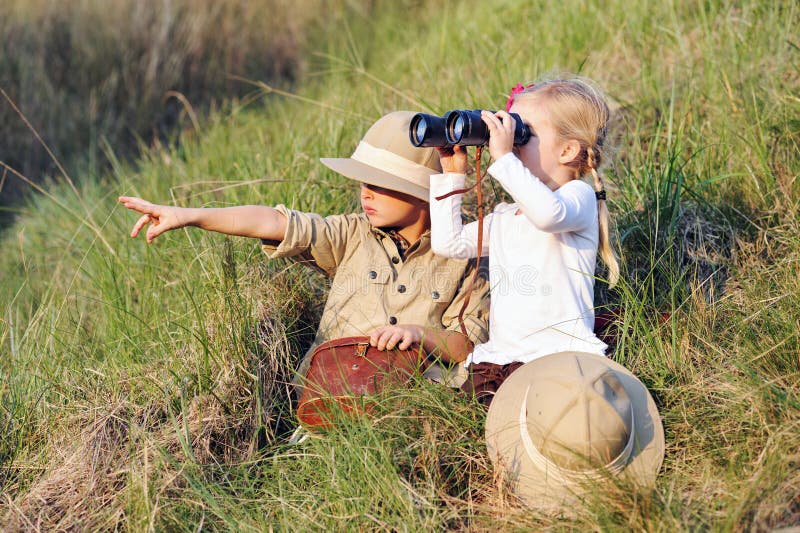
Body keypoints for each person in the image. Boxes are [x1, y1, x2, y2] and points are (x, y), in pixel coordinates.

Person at [119, 111, 489, 394]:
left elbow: (465, 346)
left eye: (381, 184)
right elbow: (274, 223)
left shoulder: (472, 250)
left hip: (410, 400)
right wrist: (188, 215)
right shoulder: (351, 234)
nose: (366, 194)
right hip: (329, 395)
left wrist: (419, 335)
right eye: (363, 182)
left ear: (425, 192)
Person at [429, 77, 619, 406]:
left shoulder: (577, 197)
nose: (510, 142)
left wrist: (504, 160)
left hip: (559, 356)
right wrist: (451, 174)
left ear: (568, 150)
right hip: (504, 360)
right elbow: (449, 243)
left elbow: (547, 215)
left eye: (522, 132)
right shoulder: (507, 216)